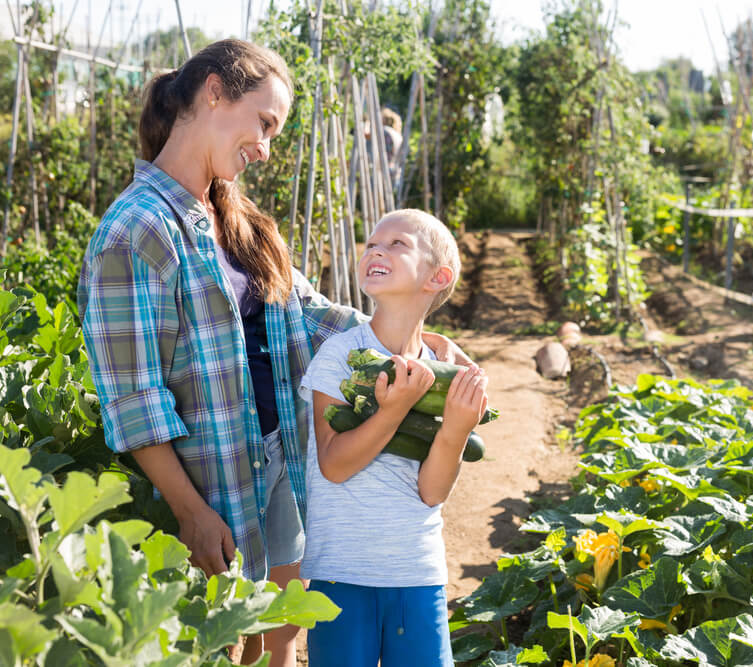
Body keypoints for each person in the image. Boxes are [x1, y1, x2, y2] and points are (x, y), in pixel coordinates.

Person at [77, 40, 467, 666]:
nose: (265, 146)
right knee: (224, 645)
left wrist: (404, 335)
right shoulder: (135, 231)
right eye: (264, 122)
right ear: (212, 92)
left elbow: (307, 314)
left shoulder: (238, 218)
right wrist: (190, 510)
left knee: (281, 642)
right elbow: (135, 397)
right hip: (210, 479)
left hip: (280, 459)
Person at [300, 208, 488, 667]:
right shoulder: (341, 355)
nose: (376, 250)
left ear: (436, 277)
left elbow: (431, 491)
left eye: (397, 244)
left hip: (417, 570)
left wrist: (458, 432)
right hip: (342, 572)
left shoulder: (447, 375)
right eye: (372, 245)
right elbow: (334, 464)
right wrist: (397, 408)